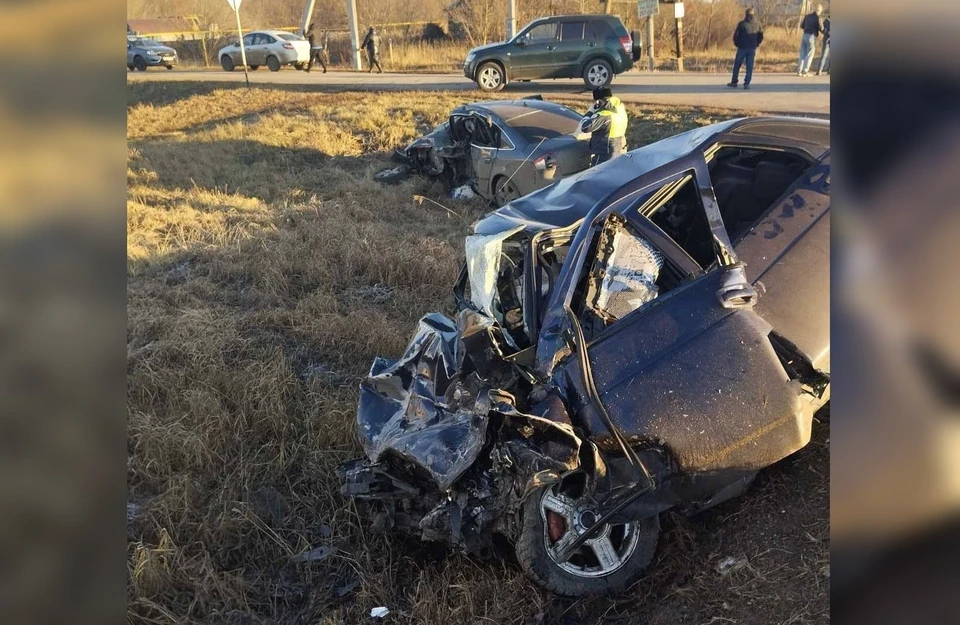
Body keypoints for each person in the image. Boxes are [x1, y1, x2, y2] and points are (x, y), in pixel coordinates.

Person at [579, 87, 628, 166]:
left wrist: (590, 112)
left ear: (598, 101)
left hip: (604, 155)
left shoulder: (605, 115)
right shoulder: (620, 109)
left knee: (595, 176)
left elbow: (585, 127)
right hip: (616, 149)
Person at [728, 8, 764, 90]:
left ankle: (734, 81)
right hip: (752, 48)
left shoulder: (742, 24)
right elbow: (761, 36)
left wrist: (737, 44)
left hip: (742, 47)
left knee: (737, 64)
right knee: (749, 66)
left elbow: (736, 36)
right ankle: (747, 83)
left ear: (746, 14)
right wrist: (757, 43)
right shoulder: (757, 24)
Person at [797, 4, 823, 76]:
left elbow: (802, 26)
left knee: (802, 53)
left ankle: (799, 70)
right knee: (809, 54)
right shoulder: (818, 17)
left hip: (805, 35)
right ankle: (805, 71)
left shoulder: (807, 16)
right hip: (812, 36)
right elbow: (821, 28)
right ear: (819, 10)